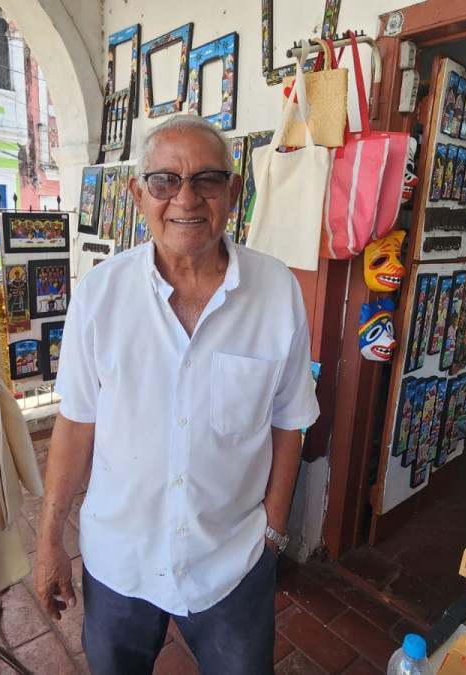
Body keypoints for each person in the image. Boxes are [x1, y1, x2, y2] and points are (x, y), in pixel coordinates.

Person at [35, 114, 319, 675]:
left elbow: (291, 418)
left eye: (207, 180)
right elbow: (75, 423)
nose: (185, 198)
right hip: (120, 560)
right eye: (164, 181)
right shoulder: (101, 294)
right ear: (139, 194)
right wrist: (48, 542)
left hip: (231, 561)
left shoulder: (277, 291)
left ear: (234, 194)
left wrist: (274, 529)